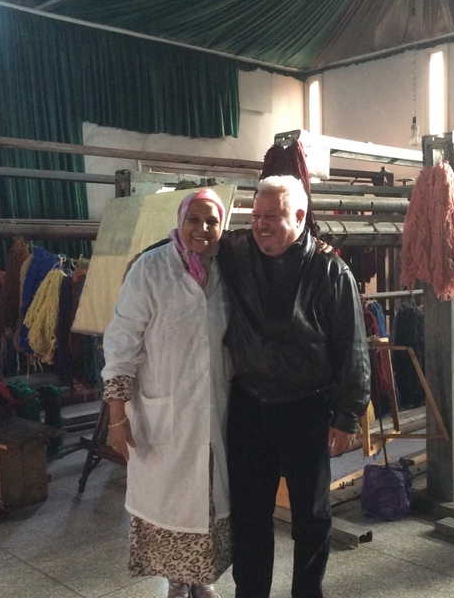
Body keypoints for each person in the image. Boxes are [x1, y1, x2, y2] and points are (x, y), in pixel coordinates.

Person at [218, 175, 371, 598]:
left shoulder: (330, 270)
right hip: (250, 405)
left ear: (300, 216)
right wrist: (143, 261)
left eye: (273, 216)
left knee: (311, 517)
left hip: (307, 408)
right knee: (249, 516)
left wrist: (346, 415)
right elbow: (188, 239)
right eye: (256, 216)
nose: (261, 225)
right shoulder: (236, 251)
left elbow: (353, 349)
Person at [102, 188, 232, 598]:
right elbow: (121, 346)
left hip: (214, 409)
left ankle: (201, 577)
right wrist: (117, 418)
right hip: (162, 413)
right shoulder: (150, 269)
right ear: (180, 221)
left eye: (212, 221)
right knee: (172, 499)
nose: (202, 229)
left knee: (209, 494)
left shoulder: (227, 271)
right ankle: (177, 580)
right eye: (194, 219)